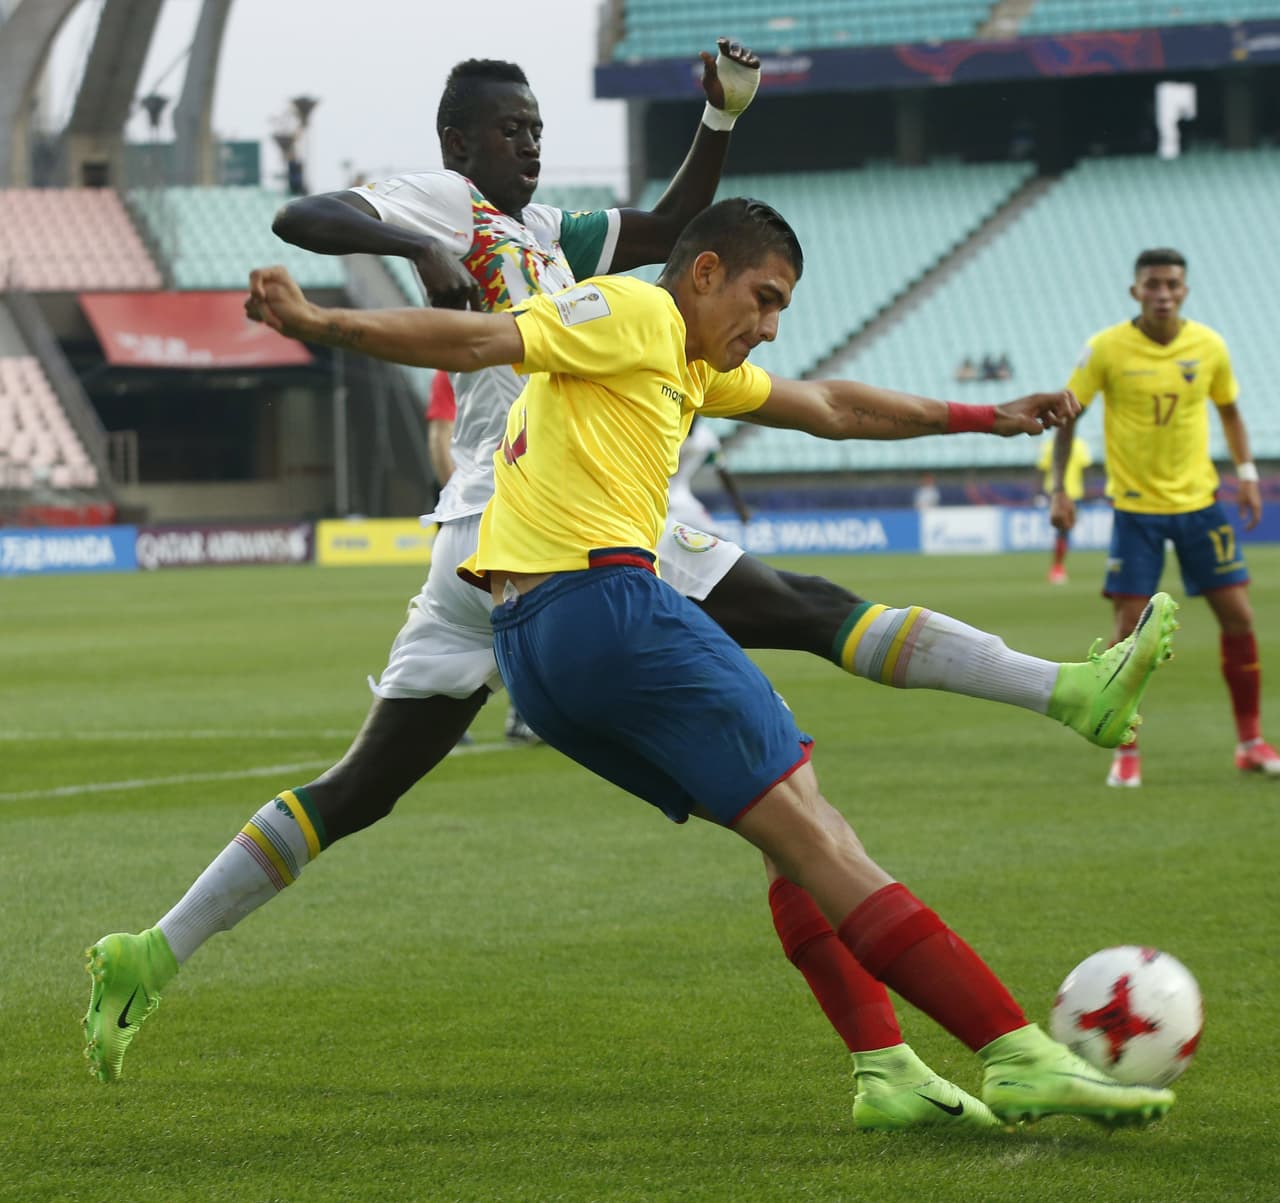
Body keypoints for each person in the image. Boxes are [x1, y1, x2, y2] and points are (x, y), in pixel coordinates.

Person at [81, 55, 1173, 1121]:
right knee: (805, 633)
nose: (530, 142)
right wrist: (416, 243)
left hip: (502, 544)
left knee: (368, 785)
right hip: (551, 516)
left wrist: (719, 121)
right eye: (510, 127)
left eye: (537, 127)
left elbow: (679, 238)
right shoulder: (456, 204)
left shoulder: (562, 243)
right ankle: (1062, 702)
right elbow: (315, 221)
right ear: (458, 141)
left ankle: (154, 947)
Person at [1053, 245, 1276, 788]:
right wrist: (1060, 488)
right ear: (1136, 291)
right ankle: (1125, 748)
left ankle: (1250, 742)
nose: (1162, 293)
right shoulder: (1105, 348)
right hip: (1136, 511)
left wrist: (1246, 475)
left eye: (1172, 284)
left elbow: (1229, 411)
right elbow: (1066, 415)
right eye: (1152, 284)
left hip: (1201, 505)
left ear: (1185, 290)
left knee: (1240, 619)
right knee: (1129, 634)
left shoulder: (1209, 345)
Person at [428, 368, 539, 745]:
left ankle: (439, 716)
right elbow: (439, 435)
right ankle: (522, 715)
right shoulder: (457, 364)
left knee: (469, 618)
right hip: (484, 504)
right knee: (520, 610)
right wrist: (454, 499)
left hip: (501, 502)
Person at [667, 415, 750, 532]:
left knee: (714, 535)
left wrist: (739, 505)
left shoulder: (706, 438)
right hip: (656, 497)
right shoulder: (667, 431)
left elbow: (722, 471)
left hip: (682, 499)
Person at [1037, 435, 1091, 584]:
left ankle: (1057, 567)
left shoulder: (1051, 444)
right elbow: (1086, 470)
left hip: (1063, 493)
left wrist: (1039, 492)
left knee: (1063, 532)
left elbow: (1042, 470)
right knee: (1063, 531)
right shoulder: (1079, 445)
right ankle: (1057, 568)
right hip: (1063, 494)